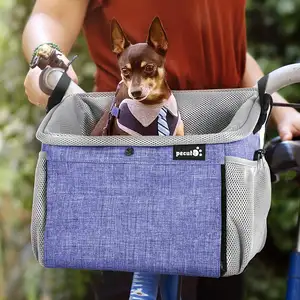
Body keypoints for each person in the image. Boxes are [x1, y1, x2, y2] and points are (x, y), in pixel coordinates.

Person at [22, 0, 300, 299]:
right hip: (133, 157)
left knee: (221, 279)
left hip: (225, 163)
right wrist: (47, 59)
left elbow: (228, 51)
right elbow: (50, 15)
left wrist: (280, 109)